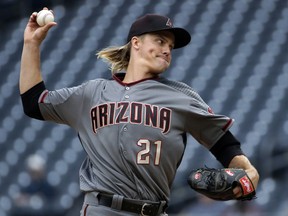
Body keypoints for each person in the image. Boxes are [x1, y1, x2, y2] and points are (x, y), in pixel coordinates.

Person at [19, 7, 259, 216]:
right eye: (160, 41)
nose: (167, 50)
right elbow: (33, 103)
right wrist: (31, 44)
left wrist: (248, 171)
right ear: (136, 43)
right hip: (100, 210)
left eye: (171, 46)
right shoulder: (91, 93)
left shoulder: (180, 96)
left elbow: (225, 146)